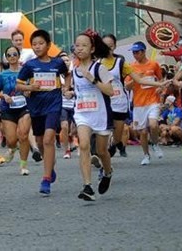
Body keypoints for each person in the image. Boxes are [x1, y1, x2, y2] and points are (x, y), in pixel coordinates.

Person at [16, 29, 69, 196]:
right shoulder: (30, 65)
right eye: (34, 44)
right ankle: (49, 167)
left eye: (40, 44)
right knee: (40, 141)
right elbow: (19, 84)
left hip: (53, 105)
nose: (37, 47)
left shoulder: (58, 63)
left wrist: (66, 87)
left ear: (48, 45)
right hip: (36, 107)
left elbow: (67, 75)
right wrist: (30, 87)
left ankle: (46, 179)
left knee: (48, 139)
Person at [71, 30, 115, 201]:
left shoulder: (99, 68)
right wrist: (69, 94)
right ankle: (87, 186)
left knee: (102, 151)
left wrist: (93, 79)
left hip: (101, 114)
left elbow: (110, 91)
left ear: (92, 49)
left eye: (84, 45)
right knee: (83, 146)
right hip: (82, 113)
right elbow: (78, 91)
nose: (80, 48)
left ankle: (108, 172)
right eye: (77, 45)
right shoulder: (74, 69)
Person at [126, 41, 168, 166]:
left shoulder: (154, 64)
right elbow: (127, 87)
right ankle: (146, 155)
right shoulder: (130, 67)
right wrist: (136, 79)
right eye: (133, 52)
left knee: (154, 125)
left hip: (152, 100)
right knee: (142, 132)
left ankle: (155, 144)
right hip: (139, 103)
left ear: (144, 51)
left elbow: (161, 79)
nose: (135, 55)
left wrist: (161, 89)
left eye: (137, 52)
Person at [0, 45, 33, 175]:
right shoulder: (2, 75)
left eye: (14, 54)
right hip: (8, 108)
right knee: (11, 140)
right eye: (9, 55)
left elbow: (32, 87)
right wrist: (4, 96)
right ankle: (12, 148)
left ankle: (23, 165)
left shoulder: (25, 72)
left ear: (18, 56)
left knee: (23, 135)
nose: (12, 57)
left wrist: (28, 91)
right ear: (6, 58)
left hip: (24, 107)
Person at [10, 29, 43, 161]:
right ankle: (21, 145)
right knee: (18, 129)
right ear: (12, 41)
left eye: (20, 40)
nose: (18, 42)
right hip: (14, 92)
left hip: (28, 90)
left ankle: (35, 148)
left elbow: (36, 70)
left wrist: (30, 86)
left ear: (23, 40)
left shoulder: (29, 53)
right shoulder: (8, 53)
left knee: (27, 121)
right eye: (16, 40)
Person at [58, 51, 75, 159]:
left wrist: (72, 92)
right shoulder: (56, 76)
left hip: (76, 104)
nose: (65, 62)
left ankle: (71, 137)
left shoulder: (76, 73)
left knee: (76, 128)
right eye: (62, 61)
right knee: (64, 127)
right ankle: (67, 150)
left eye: (67, 60)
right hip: (62, 105)